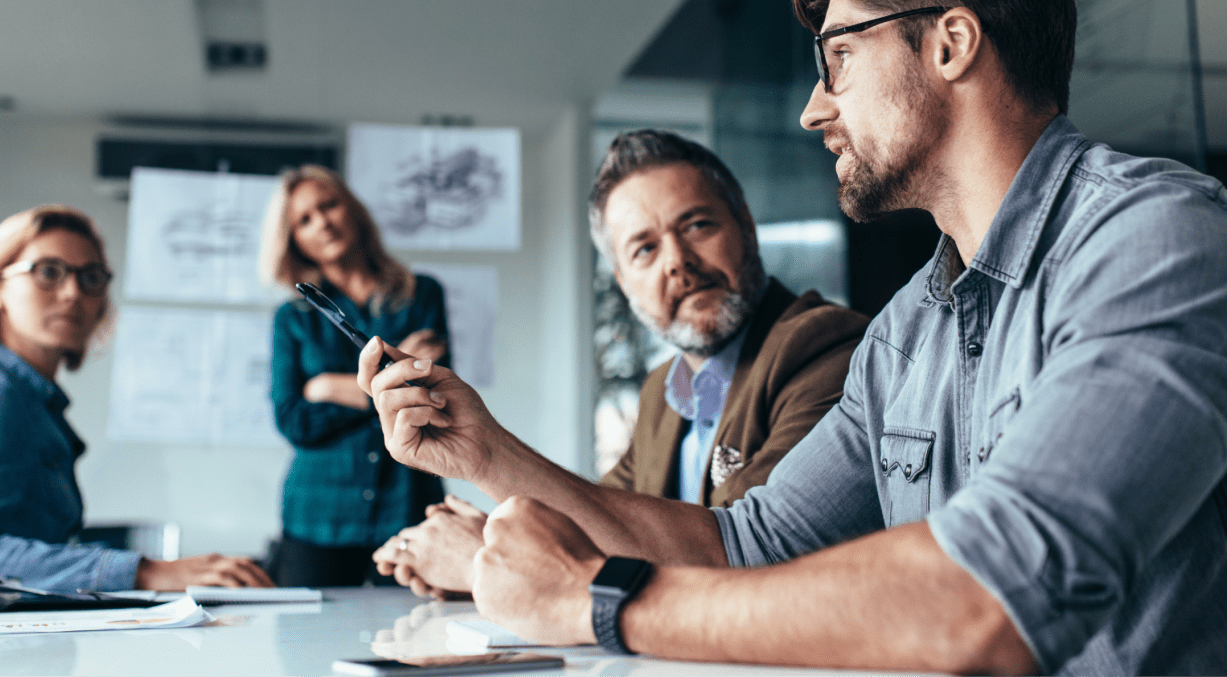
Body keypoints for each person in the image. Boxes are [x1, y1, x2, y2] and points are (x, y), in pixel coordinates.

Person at [357, 0, 1227, 675]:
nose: (813, 108)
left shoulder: (1162, 241)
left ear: (950, 44)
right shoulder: (910, 332)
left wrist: (600, 601)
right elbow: (745, 544)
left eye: (839, 60)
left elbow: (991, 601)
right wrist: (483, 451)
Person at [371, 131, 870, 598]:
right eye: (645, 249)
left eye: (697, 225)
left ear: (745, 224)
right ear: (623, 280)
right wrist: (497, 533)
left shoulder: (826, 347)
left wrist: (485, 559)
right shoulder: (663, 391)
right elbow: (603, 522)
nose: (677, 261)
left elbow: (739, 558)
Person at [0, 205, 273, 592]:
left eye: (90, 278)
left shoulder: (31, 402)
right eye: (48, 272)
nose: (73, 293)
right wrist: (145, 571)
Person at [260, 165, 449, 587]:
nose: (322, 222)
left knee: (412, 639)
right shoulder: (292, 319)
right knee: (306, 647)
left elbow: (432, 398)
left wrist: (327, 387)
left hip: (407, 507)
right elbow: (294, 420)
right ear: (294, 241)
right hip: (318, 516)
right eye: (304, 220)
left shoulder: (422, 296)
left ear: (353, 210)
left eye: (329, 206)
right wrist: (387, 387)